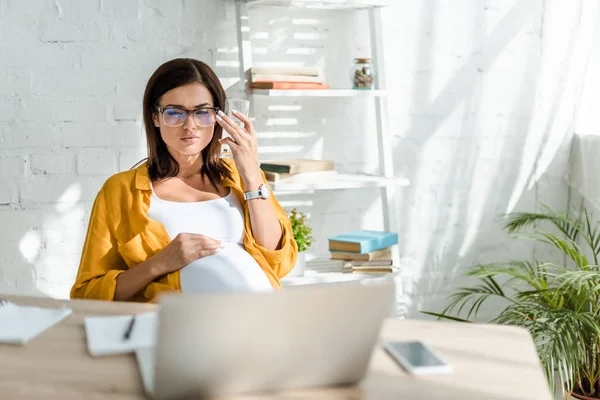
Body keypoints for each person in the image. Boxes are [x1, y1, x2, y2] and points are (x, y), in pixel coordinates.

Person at [70, 58, 298, 302]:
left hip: (260, 325)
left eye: (202, 112)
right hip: (177, 332)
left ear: (218, 116)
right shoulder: (121, 191)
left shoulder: (242, 176)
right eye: (174, 113)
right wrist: (160, 264)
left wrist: (251, 173)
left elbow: (278, 261)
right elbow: (89, 294)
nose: (190, 125)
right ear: (155, 118)